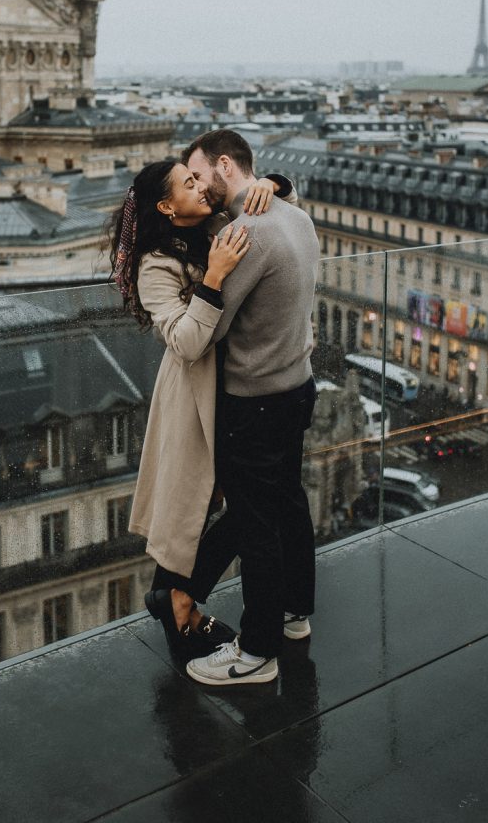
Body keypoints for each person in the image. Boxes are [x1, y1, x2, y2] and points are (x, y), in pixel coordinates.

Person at [109, 158, 290, 661]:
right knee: (186, 513)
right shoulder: (155, 265)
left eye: (198, 176)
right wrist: (212, 278)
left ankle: (176, 601)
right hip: (194, 397)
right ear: (166, 206)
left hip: (236, 387)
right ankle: (180, 624)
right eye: (189, 183)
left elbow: (284, 221)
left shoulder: (216, 227)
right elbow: (186, 343)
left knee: (233, 502)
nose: (201, 184)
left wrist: (275, 185)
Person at [183, 129, 320, 686]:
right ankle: (293, 615)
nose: (196, 186)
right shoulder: (296, 217)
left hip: (255, 402)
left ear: (223, 165)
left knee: (256, 522)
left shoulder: (244, 234)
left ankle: (256, 651)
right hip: (298, 387)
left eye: (197, 174)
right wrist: (277, 185)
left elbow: (208, 325)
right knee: (289, 503)